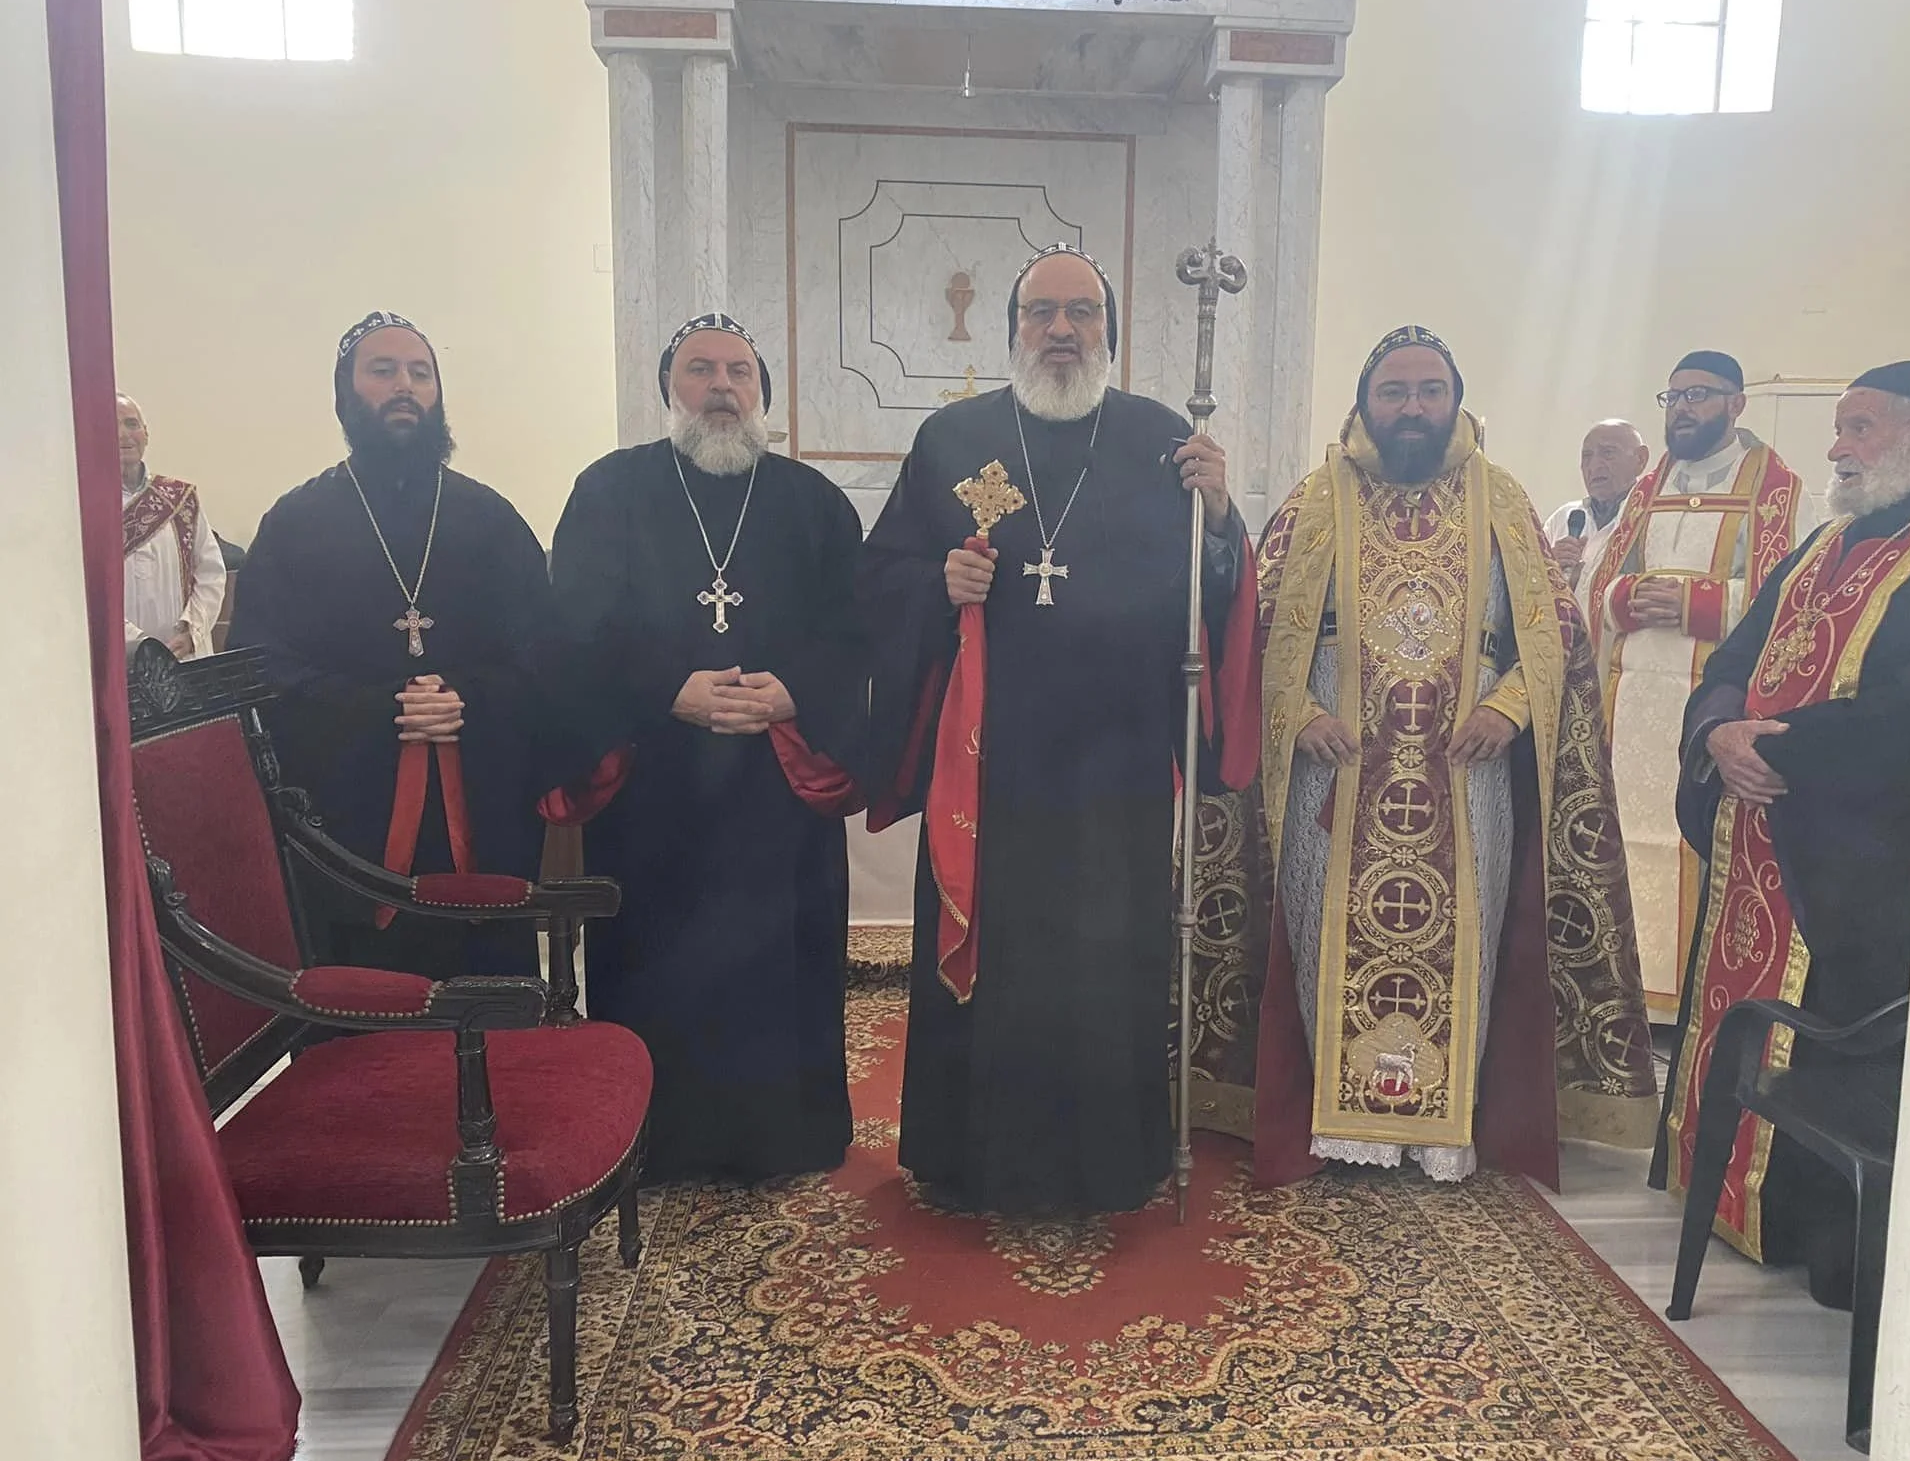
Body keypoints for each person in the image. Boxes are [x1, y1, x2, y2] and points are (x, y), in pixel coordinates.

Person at [859, 243, 1260, 1217]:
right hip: (988, 761)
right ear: (1011, 329)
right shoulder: (953, 440)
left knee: (1102, 970)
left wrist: (1220, 517)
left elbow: (1213, 604)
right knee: (990, 963)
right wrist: (932, 586)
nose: (1061, 330)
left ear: (1109, 334)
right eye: (1041, 312)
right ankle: (965, 1161)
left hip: (1113, 766)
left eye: (1081, 313)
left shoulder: (1164, 441)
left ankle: (1106, 1167)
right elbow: (874, 580)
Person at [1251, 326, 1657, 1190]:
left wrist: (1510, 710)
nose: (1412, 407)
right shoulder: (1318, 497)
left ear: (1456, 400)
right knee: (1330, 932)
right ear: (1365, 401)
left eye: (1429, 390)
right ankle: (1342, 1123)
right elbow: (1261, 620)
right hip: (1340, 762)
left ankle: (1441, 1133)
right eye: (1394, 391)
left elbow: (1554, 631)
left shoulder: (1501, 498)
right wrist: (1299, 711)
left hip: (1464, 765)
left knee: (1461, 932)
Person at [1652, 361, 1910, 1304]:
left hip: (1852, 868)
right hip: (1763, 839)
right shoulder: (1826, 544)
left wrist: (1778, 747)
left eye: (1859, 429)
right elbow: (1738, 653)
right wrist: (1717, 729)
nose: (1837, 447)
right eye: (1840, 428)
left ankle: (1802, 1225)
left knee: (1828, 1047)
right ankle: (1726, 1190)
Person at [549, 314, 865, 1183]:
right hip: (659, 787)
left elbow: (856, 629)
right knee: (658, 962)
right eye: (700, 371)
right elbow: (574, 624)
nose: (722, 386)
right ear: (668, 390)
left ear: (761, 390)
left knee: (779, 971)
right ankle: (651, 1139)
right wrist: (669, 688)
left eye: (739, 372)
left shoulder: (812, 503)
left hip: (774, 794)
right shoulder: (609, 492)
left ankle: (785, 1139)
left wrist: (794, 686)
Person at [229, 312, 559, 978]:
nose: (404, 386)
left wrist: (467, 698)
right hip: (347, 809)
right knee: (363, 1005)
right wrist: (386, 707)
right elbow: (260, 668)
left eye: (420, 373)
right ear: (344, 395)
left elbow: (546, 652)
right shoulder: (295, 523)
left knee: (491, 998)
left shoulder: (491, 520)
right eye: (383, 371)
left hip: (481, 795)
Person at [1583, 352, 1815, 1020]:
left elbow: (1791, 600)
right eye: (1674, 396)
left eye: (1699, 396)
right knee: (1620, 835)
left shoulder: (1776, 490)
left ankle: (1684, 998)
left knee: (1690, 844)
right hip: (1628, 707)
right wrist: (1627, 595)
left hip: (1710, 707)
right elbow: (1597, 582)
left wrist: (1698, 603)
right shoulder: (1647, 486)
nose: (1682, 409)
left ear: (1737, 404)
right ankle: (1617, 990)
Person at [118, 392, 226, 658]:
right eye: (110, 425)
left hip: (183, 656)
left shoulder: (180, 499)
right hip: (120, 660)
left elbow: (211, 572)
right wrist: (140, 645)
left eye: (131, 424)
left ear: (146, 433)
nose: (123, 434)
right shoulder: (83, 506)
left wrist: (192, 631)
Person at [1543, 419, 1646, 609]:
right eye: (1587, 456)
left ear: (1640, 459)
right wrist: (1549, 565)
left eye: (1608, 453)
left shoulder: (1650, 518)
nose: (1595, 465)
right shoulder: (1564, 517)